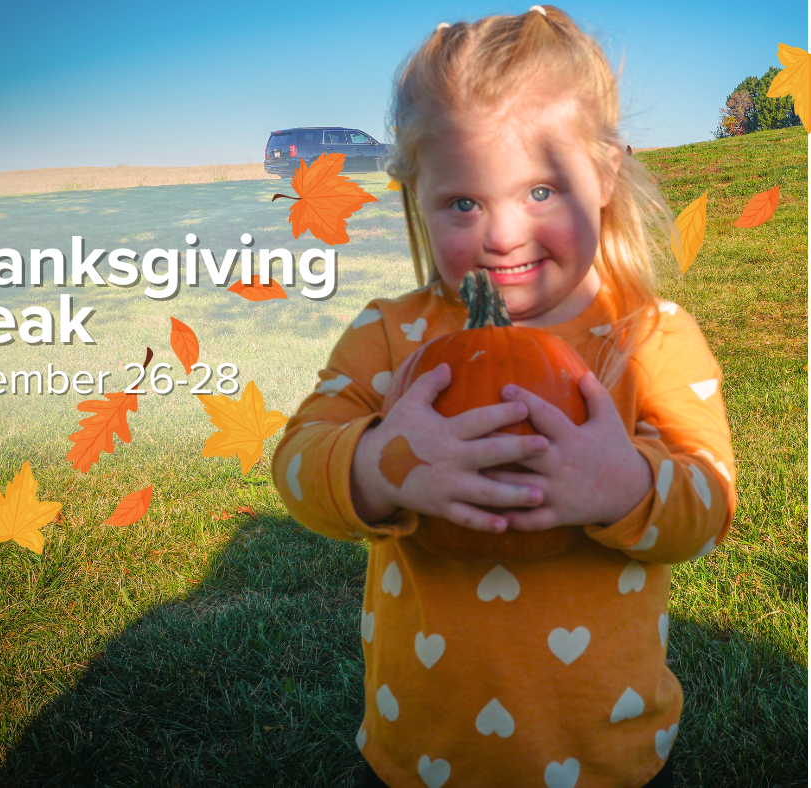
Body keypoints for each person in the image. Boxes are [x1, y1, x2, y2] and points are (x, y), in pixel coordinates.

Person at [272, 6, 736, 787]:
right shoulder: (392, 335)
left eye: (542, 191)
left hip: (606, 752)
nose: (502, 235)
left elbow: (710, 504)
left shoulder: (648, 339)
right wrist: (378, 466)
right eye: (464, 203)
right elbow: (295, 463)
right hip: (420, 748)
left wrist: (625, 484)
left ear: (608, 173)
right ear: (418, 197)